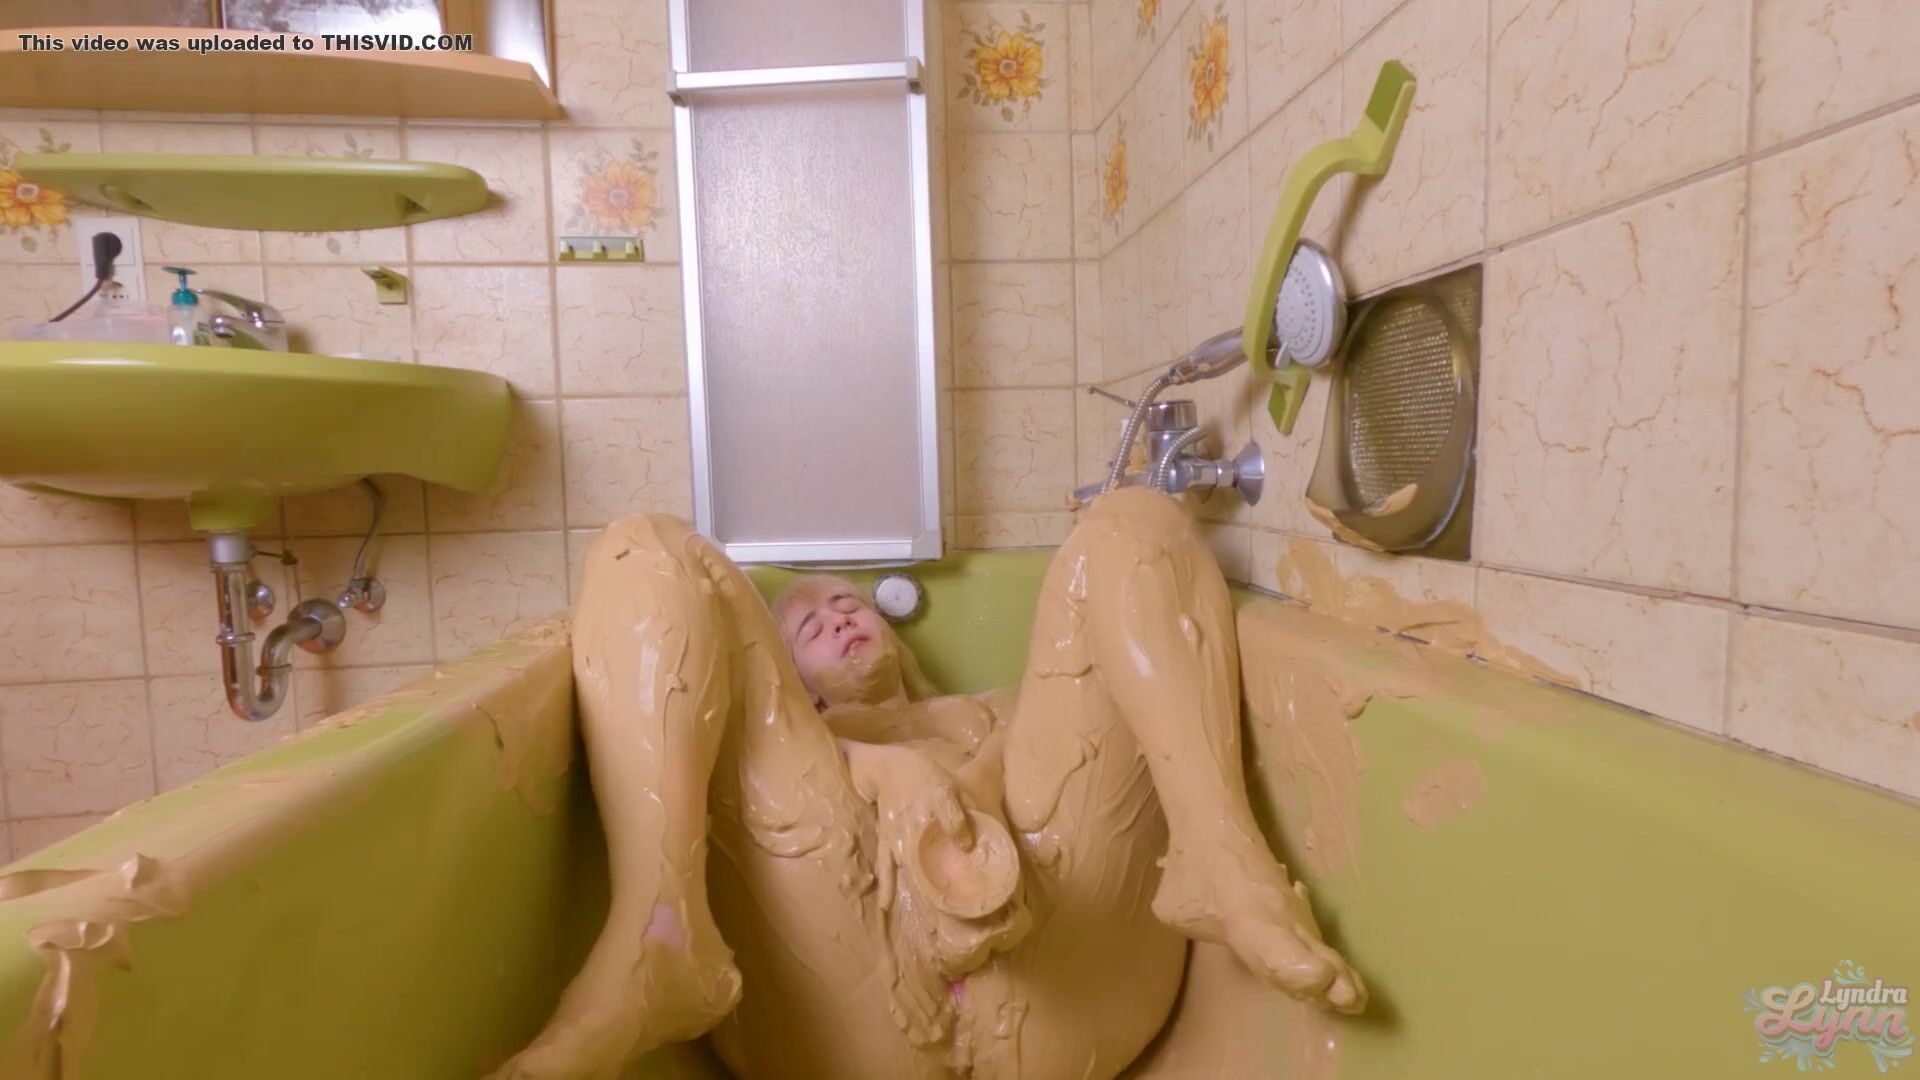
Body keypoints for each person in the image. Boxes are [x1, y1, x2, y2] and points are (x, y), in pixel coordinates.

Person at [493, 488, 1365, 1080]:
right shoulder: (786, 750)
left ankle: (1220, 859)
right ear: (788, 684)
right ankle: (660, 936)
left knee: (1135, 521)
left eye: (848, 604)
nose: (838, 614)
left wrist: (969, 771)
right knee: (644, 548)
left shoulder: (993, 710)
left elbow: (1066, 748)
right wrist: (879, 767)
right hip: (843, 1012)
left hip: (1070, 989)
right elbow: (763, 735)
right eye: (808, 626)